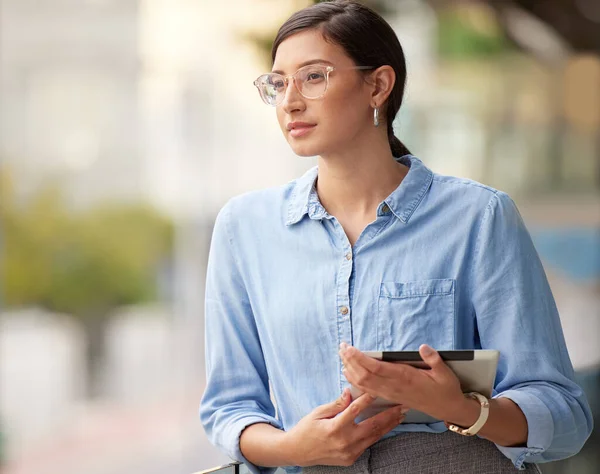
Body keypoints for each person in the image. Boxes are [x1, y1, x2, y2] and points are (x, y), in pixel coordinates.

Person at [199, 1, 593, 473]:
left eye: (314, 77)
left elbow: (564, 414)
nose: (290, 102)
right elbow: (229, 408)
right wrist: (293, 449)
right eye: (278, 83)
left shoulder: (478, 218)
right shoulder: (244, 228)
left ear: (378, 85)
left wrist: (460, 408)